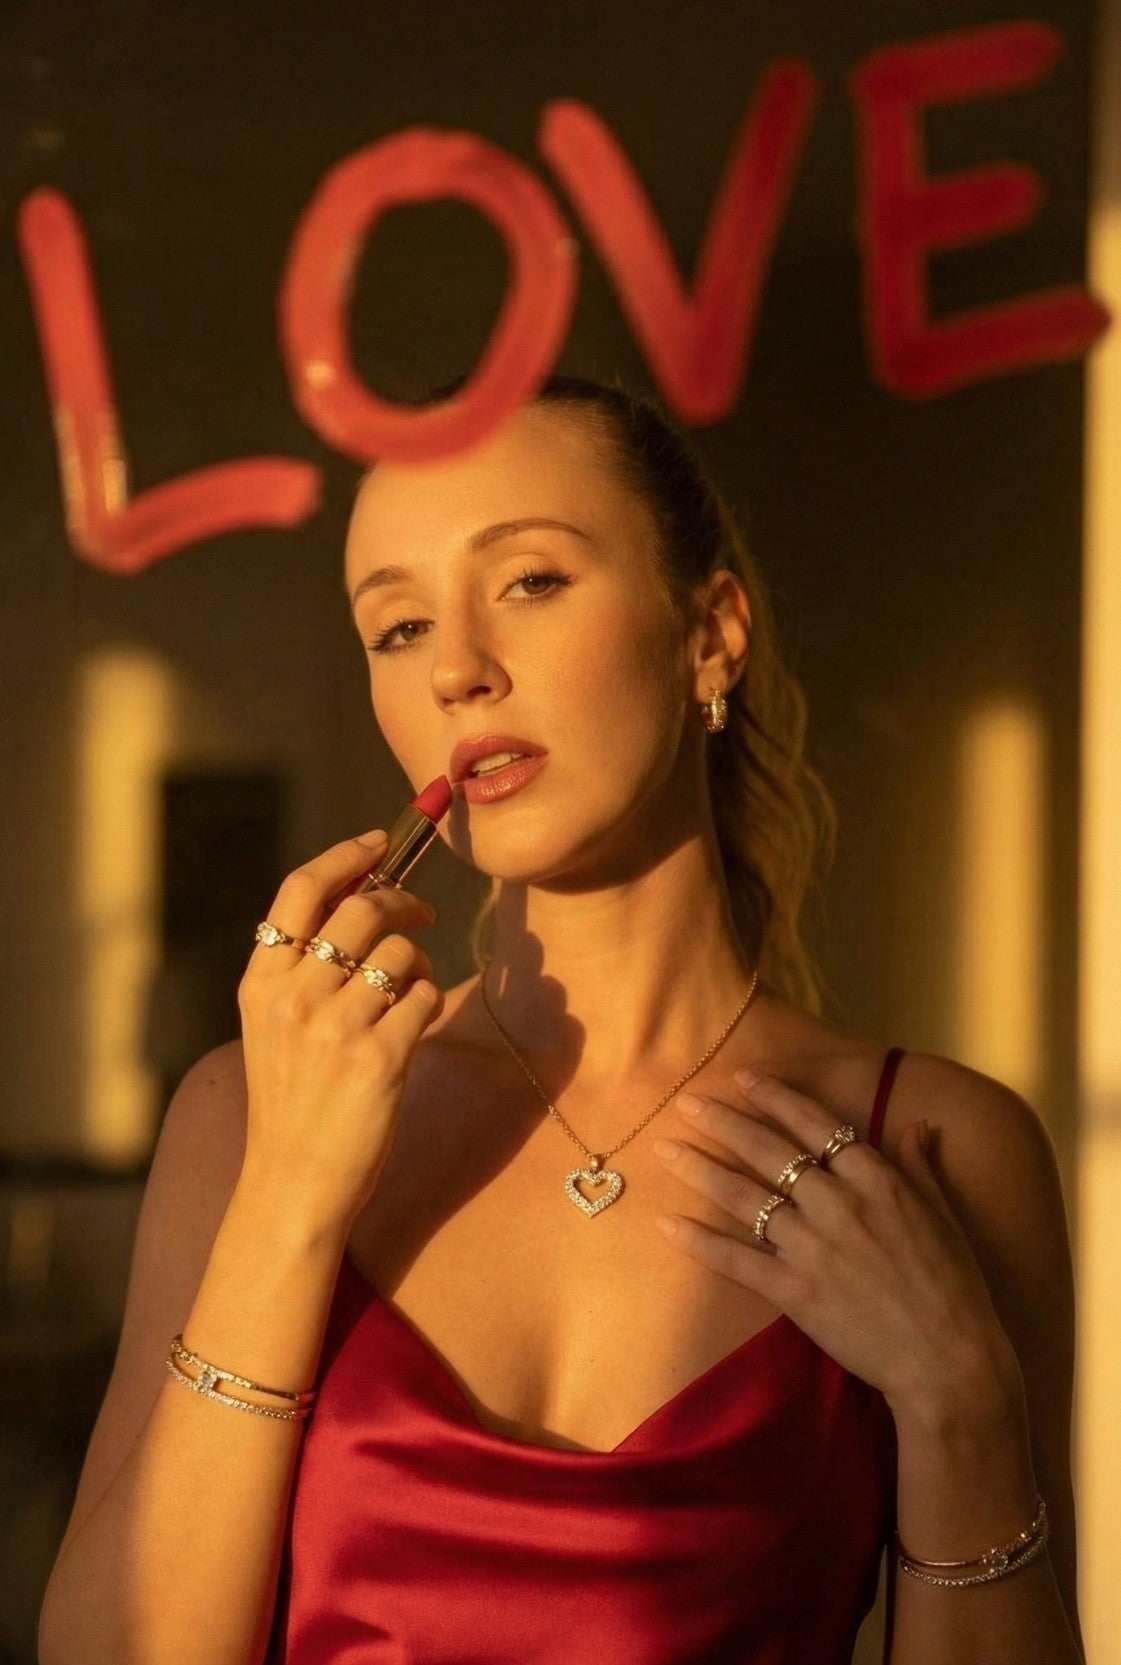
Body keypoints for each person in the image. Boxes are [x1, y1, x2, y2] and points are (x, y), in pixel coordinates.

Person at [38, 376, 1084, 1665]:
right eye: (399, 627)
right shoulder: (248, 1114)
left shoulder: (934, 1148)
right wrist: (289, 1199)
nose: (457, 671)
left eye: (529, 581)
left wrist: (960, 1403)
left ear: (710, 634)